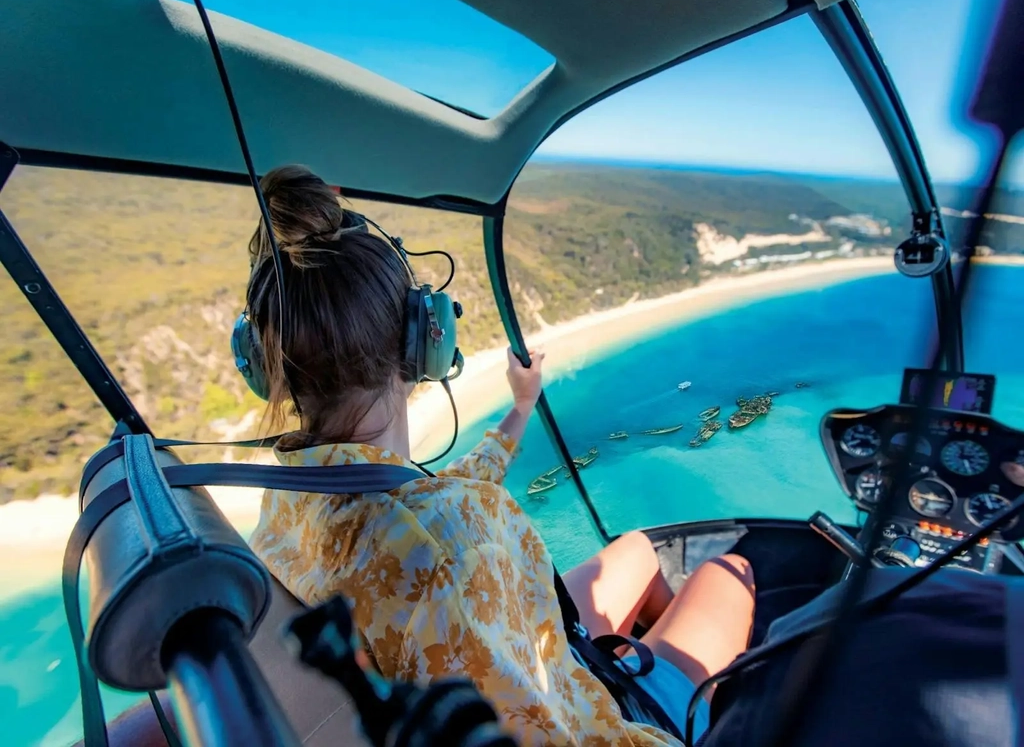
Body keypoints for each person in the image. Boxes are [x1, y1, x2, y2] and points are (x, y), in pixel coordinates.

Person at [92, 165, 756, 747]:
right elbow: (448, 544)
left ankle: (648, 668)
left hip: (514, 656)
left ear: (265, 369)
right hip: (578, 712)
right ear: (426, 343)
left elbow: (427, 503)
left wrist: (520, 410)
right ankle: (685, 714)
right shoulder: (452, 540)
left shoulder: (292, 496)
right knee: (731, 574)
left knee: (638, 548)